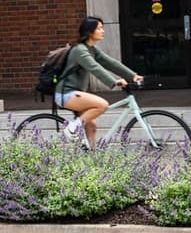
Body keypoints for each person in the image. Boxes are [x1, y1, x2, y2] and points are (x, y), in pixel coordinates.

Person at [56, 15, 143, 148]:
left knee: (91, 125)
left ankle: (92, 157)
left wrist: (132, 75)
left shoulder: (91, 49)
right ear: (90, 31)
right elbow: (95, 68)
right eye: (99, 28)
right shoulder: (80, 50)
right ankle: (72, 128)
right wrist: (114, 81)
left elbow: (110, 63)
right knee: (102, 105)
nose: (103, 31)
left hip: (75, 93)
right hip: (66, 93)